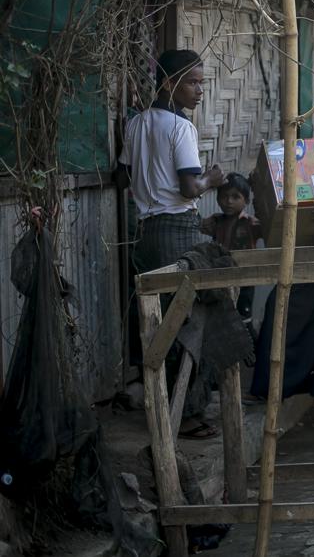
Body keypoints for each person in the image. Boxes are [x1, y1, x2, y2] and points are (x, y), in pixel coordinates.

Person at [116, 48, 225, 439]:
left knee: (159, 327)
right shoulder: (181, 129)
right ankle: (187, 413)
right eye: (193, 82)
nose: (199, 91)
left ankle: (161, 406)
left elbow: (123, 176)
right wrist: (212, 178)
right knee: (189, 324)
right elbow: (188, 187)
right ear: (168, 84)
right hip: (178, 230)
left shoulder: (137, 124)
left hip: (146, 234)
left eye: (201, 82)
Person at [201, 172, 262, 346]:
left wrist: (258, 190)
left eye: (236, 197)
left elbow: (269, 222)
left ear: (246, 201)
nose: (229, 201)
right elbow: (196, 224)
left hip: (245, 279)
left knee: (244, 317)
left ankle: (253, 351)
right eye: (224, 196)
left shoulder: (251, 223)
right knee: (223, 316)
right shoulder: (215, 221)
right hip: (220, 278)